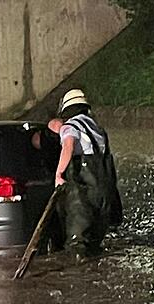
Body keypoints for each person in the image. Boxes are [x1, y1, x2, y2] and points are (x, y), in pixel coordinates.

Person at [54, 89, 123, 258]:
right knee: (94, 244)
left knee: (77, 245)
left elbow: (68, 145)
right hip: (103, 195)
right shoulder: (98, 130)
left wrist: (59, 174)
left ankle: (77, 280)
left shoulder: (70, 127)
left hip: (82, 194)